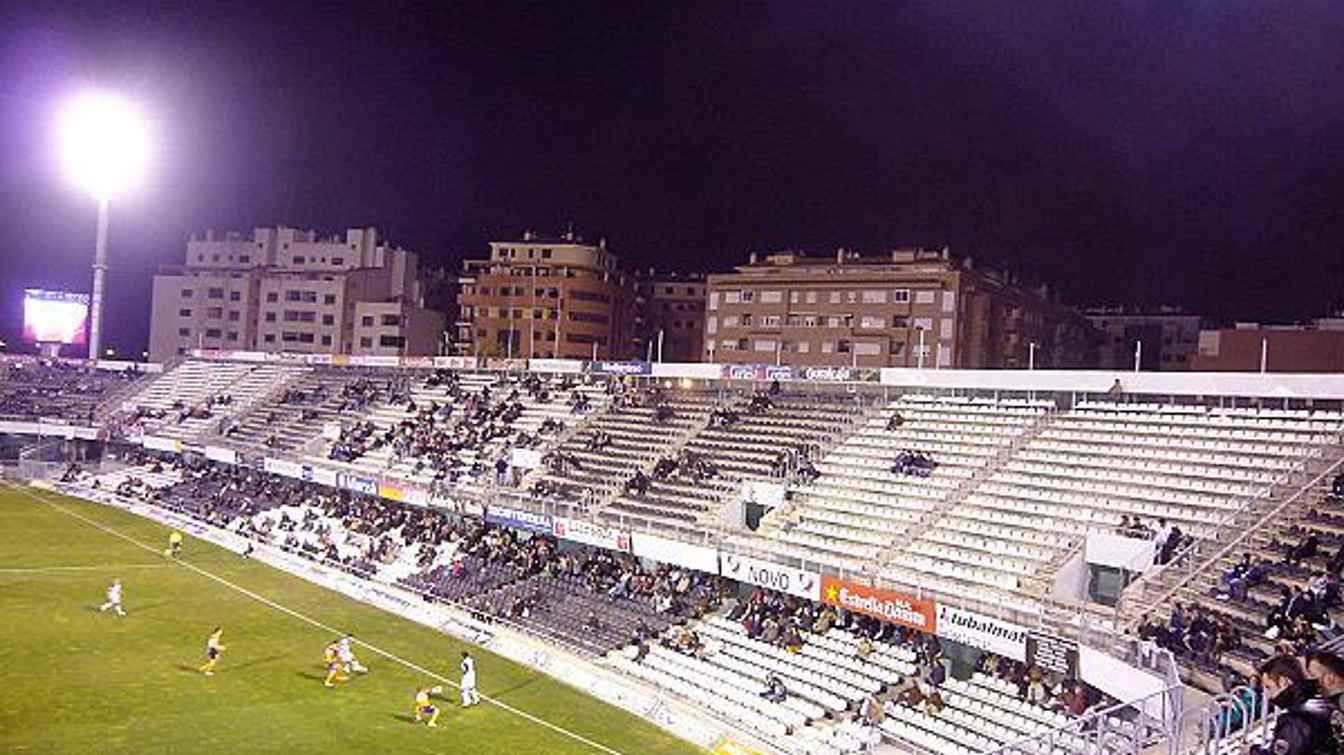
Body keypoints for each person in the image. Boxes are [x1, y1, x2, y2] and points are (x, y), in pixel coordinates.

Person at [1252, 655, 1337, 755]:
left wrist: (1252, 751)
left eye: (1269, 687)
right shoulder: (1323, 698)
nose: (1267, 695)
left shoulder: (1295, 721)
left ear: (1284, 682)